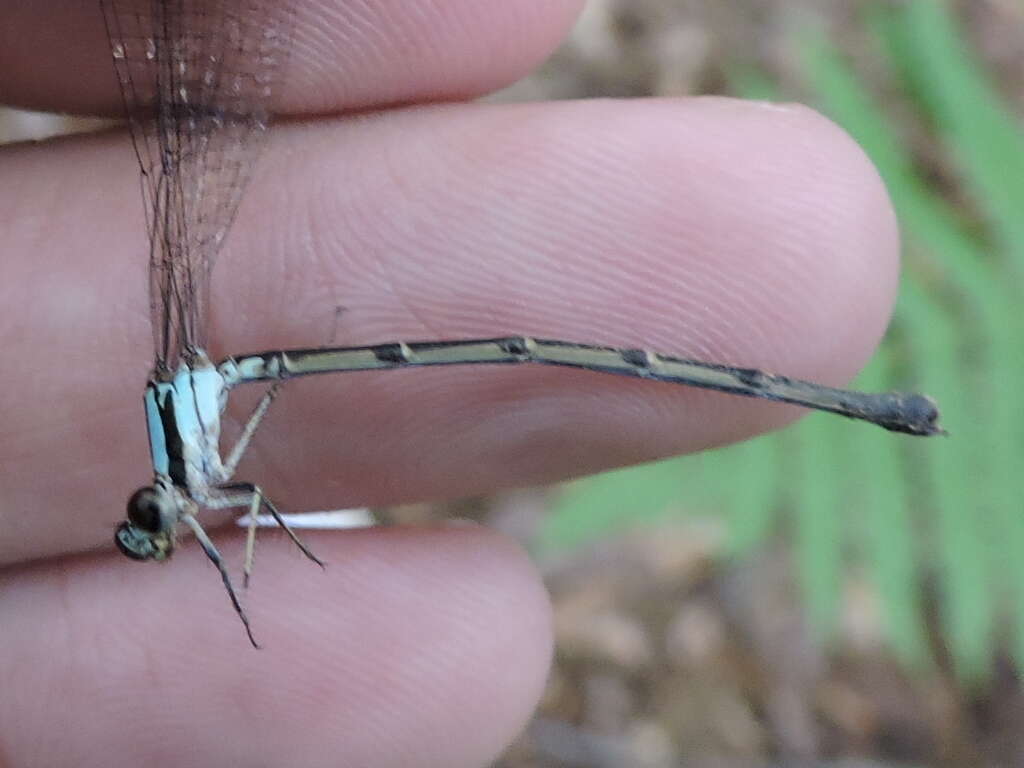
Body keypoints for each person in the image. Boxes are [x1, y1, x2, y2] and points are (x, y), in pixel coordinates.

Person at [0, 1, 901, 765]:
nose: (156, 518)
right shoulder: (196, 475)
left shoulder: (187, 462)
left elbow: (253, 483)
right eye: (153, 524)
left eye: (151, 516)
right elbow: (251, 483)